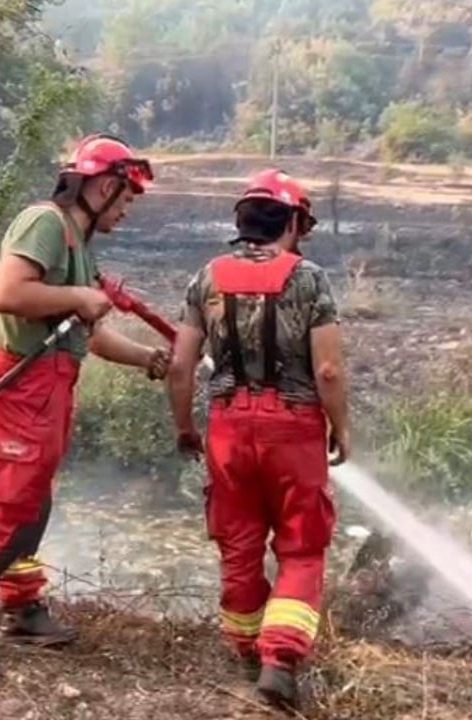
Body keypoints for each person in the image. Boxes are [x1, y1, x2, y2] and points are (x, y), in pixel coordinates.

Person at [0, 134, 171, 687]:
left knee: (33, 505)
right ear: (104, 186)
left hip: (50, 386)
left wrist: (148, 359)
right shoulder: (46, 223)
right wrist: (80, 298)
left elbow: (88, 335)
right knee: (8, 509)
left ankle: (22, 608)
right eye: (126, 198)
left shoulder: (80, 244)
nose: (127, 211)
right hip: (18, 387)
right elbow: (7, 292)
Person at [165, 168, 351, 710]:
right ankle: (281, 659)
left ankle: (248, 650)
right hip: (293, 430)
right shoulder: (310, 279)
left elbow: (180, 366)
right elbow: (331, 372)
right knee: (301, 545)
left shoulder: (206, 277)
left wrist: (185, 427)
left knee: (239, 545)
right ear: (294, 221)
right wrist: (341, 430)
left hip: (227, 427)